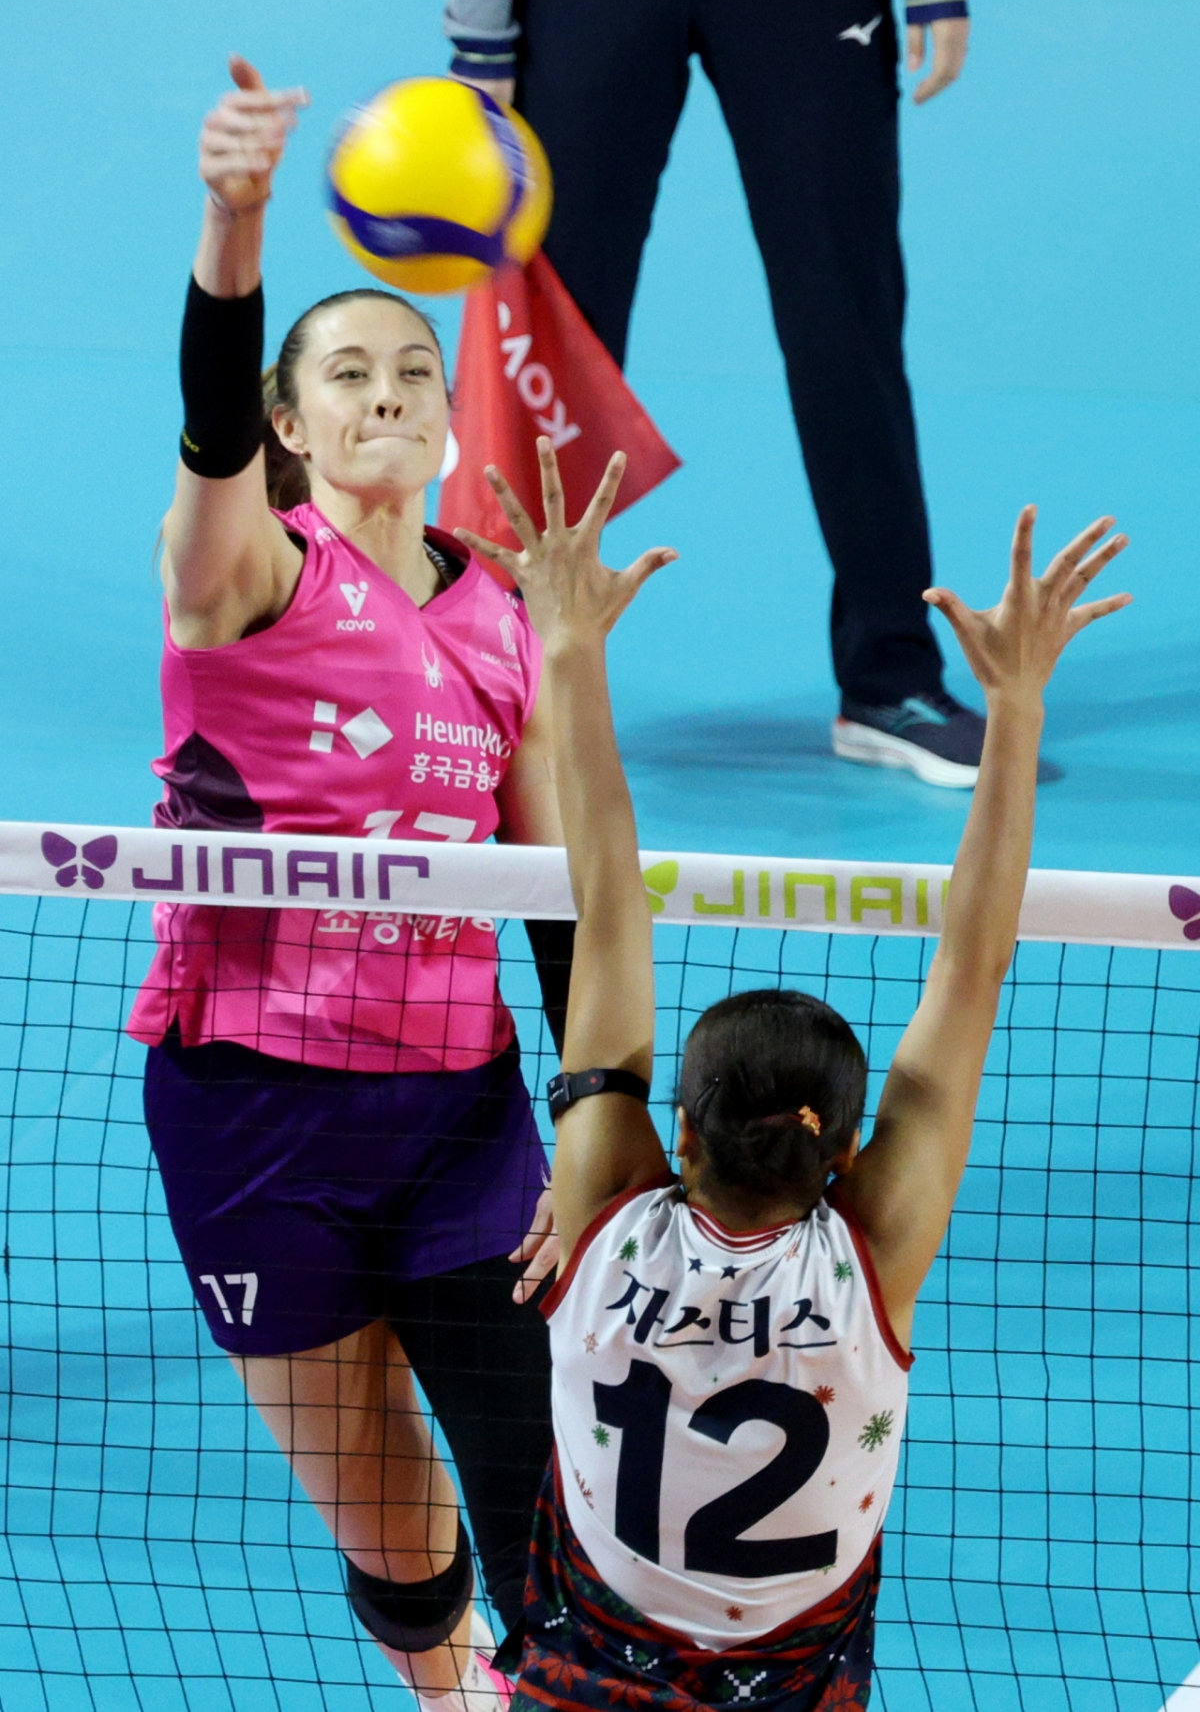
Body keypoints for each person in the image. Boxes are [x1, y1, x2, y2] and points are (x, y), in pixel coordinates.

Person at [454, 439, 1129, 1707]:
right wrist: (1017, 705)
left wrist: (570, 644)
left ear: (680, 1135)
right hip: (795, 1687)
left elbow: (606, 903)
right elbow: (974, 962)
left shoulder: (606, 1210)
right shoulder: (873, 1253)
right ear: (847, 1147)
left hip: (586, 1676)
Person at [126, 56, 568, 1711]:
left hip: (463, 1117)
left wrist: (594, 1113)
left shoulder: (507, 618)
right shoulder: (241, 577)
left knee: (543, 1517)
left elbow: (555, 888)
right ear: (291, 429)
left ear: (449, 419)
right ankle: (449, 1694)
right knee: (399, 1539)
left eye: (416, 369)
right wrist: (234, 220)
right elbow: (206, 419)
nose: (390, 390)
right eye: (348, 374)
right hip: (256, 1115)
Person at [444, 0, 991, 788]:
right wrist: (481, 30)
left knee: (846, 323)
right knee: (547, 333)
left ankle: (892, 676)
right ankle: (502, 678)